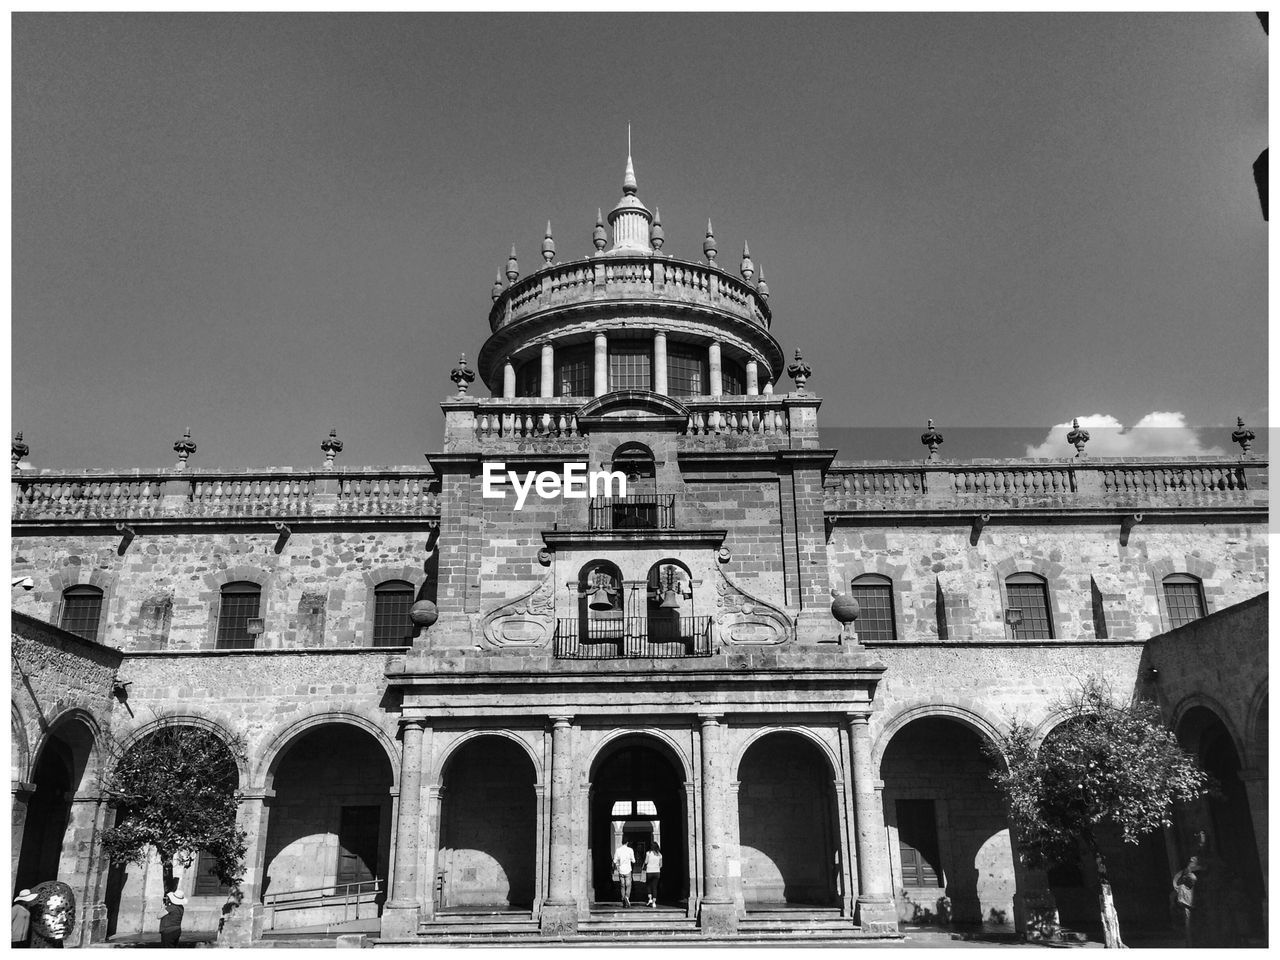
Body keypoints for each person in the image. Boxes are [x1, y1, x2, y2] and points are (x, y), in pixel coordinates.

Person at [613, 840, 635, 908]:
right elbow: (633, 860)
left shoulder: (618, 850)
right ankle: (627, 897)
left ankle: (623, 899)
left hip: (621, 870)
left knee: (622, 885)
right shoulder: (630, 850)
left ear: (621, 842)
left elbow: (614, 860)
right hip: (628, 870)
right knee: (628, 885)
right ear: (627, 842)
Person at [643, 843, 662, 908]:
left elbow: (646, 861)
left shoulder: (648, 853)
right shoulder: (659, 854)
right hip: (657, 872)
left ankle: (650, 899)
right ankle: (654, 903)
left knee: (648, 885)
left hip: (649, 871)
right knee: (654, 887)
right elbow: (661, 865)